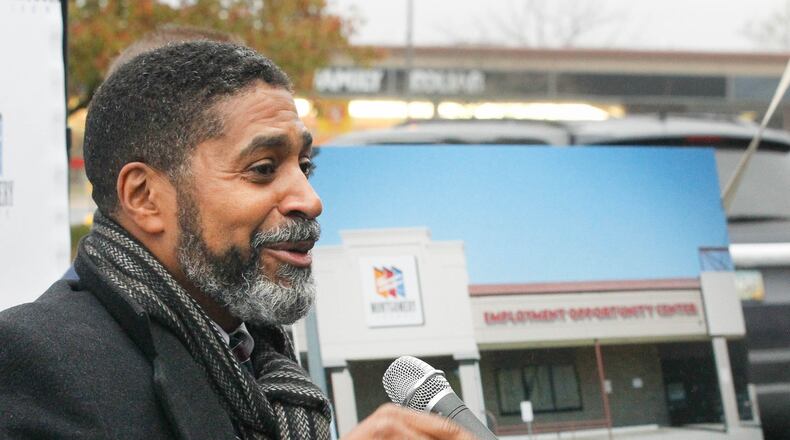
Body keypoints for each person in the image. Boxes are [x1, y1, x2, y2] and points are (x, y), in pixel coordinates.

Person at [0, 41, 475, 440]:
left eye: (304, 168)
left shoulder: (263, 359)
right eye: (263, 168)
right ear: (145, 198)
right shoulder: (34, 363)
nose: (310, 200)